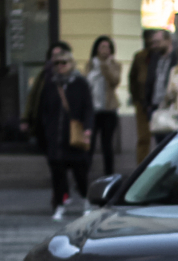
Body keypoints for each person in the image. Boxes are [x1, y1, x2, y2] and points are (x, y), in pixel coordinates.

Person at [33, 44, 94, 219]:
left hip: (74, 136)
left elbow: (88, 108)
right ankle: (59, 206)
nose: (60, 66)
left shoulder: (80, 83)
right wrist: (45, 130)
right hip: (55, 138)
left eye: (64, 62)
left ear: (71, 63)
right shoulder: (50, 84)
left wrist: (88, 128)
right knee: (57, 175)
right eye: (57, 63)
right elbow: (43, 109)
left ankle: (86, 201)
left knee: (80, 173)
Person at [84, 36, 121, 176]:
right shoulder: (90, 64)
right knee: (89, 145)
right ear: (96, 49)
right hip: (92, 110)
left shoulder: (115, 64)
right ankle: (84, 174)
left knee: (107, 145)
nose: (105, 50)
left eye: (108, 47)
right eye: (102, 47)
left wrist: (105, 66)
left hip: (108, 110)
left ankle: (109, 175)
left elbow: (114, 81)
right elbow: (85, 83)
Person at [128, 30, 157, 162]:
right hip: (141, 101)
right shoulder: (140, 56)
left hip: (157, 101)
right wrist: (135, 97)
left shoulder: (161, 56)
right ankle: (142, 165)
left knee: (160, 136)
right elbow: (132, 77)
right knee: (143, 137)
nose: (150, 43)